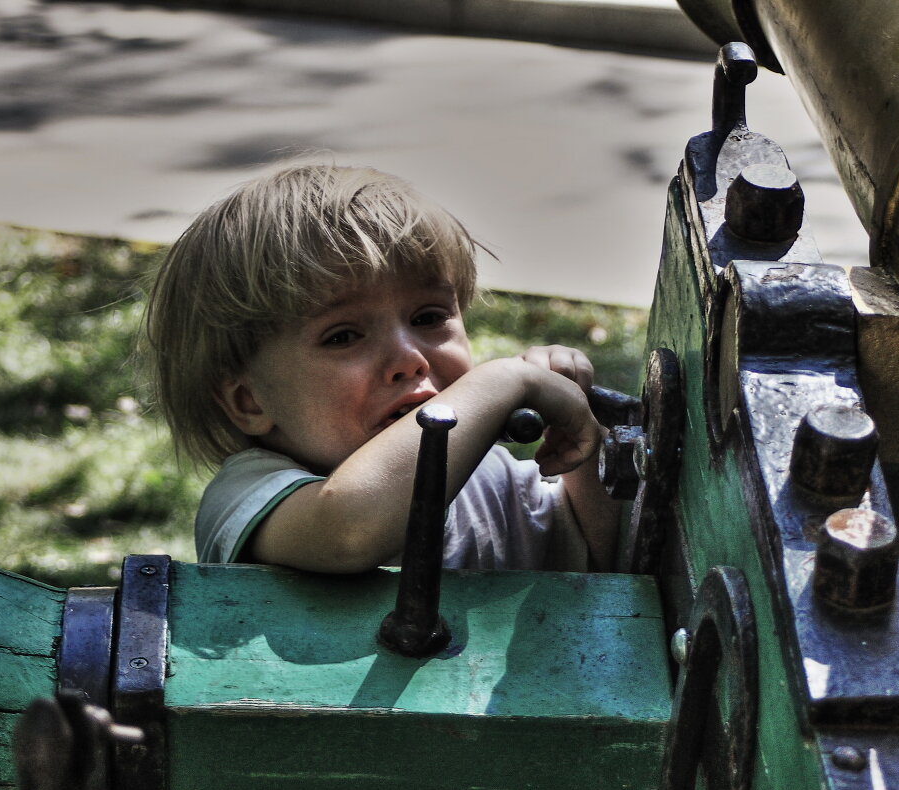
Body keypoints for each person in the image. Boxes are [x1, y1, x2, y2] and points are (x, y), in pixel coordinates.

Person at [143, 163, 620, 574]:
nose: (409, 358)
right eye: (344, 336)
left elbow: (602, 556)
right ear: (250, 401)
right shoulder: (250, 497)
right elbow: (349, 530)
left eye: (428, 318)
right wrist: (503, 380)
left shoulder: (488, 477)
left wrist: (584, 439)